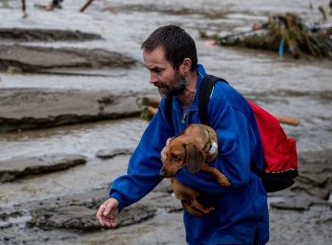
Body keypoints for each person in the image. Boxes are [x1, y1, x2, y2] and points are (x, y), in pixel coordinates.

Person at [95, 25, 269, 244]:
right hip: (199, 222)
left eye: (158, 70)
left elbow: (235, 174)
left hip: (236, 221)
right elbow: (150, 154)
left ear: (185, 65)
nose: (152, 79)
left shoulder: (223, 101)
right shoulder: (172, 103)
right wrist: (119, 197)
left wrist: (177, 169)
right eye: (149, 70)